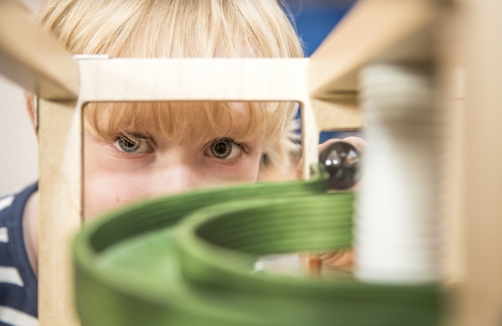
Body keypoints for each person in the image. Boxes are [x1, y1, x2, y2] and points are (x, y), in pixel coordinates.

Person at [0, 0, 363, 323]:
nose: (176, 196)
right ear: (44, 123)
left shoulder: (253, 281)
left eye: (222, 148)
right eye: (129, 143)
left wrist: (343, 277)